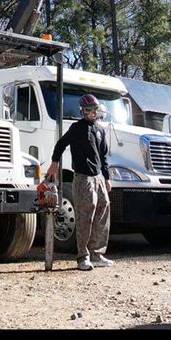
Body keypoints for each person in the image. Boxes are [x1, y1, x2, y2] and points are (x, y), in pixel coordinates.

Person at [45, 93, 114, 271]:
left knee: (103, 209)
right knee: (85, 214)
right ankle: (83, 257)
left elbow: (103, 156)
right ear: (82, 111)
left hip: (98, 177)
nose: (92, 112)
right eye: (88, 109)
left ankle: (97, 253)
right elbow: (61, 144)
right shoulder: (77, 128)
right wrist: (54, 163)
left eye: (94, 109)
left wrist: (107, 178)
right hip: (83, 177)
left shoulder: (100, 130)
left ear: (99, 111)